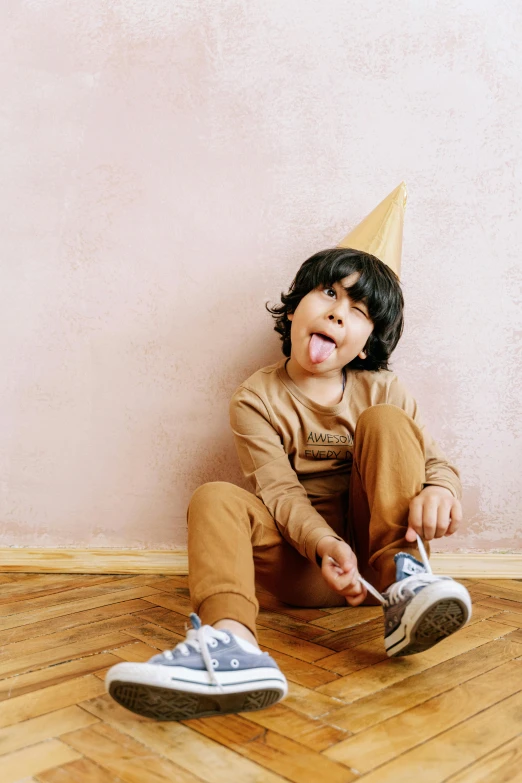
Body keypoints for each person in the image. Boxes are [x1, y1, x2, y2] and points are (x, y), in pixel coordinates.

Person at [105, 245, 471, 722]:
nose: (338, 313)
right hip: (310, 567)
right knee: (213, 497)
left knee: (386, 420)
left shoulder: (383, 389)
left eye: (358, 311)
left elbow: (435, 463)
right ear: (296, 306)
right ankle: (232, 645)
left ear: (366, 343)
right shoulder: (256, 398)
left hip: (380, 561)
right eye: (328, 293)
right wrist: (323, 545)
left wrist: (441, 490)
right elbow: (280, 492)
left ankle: (405, 584)